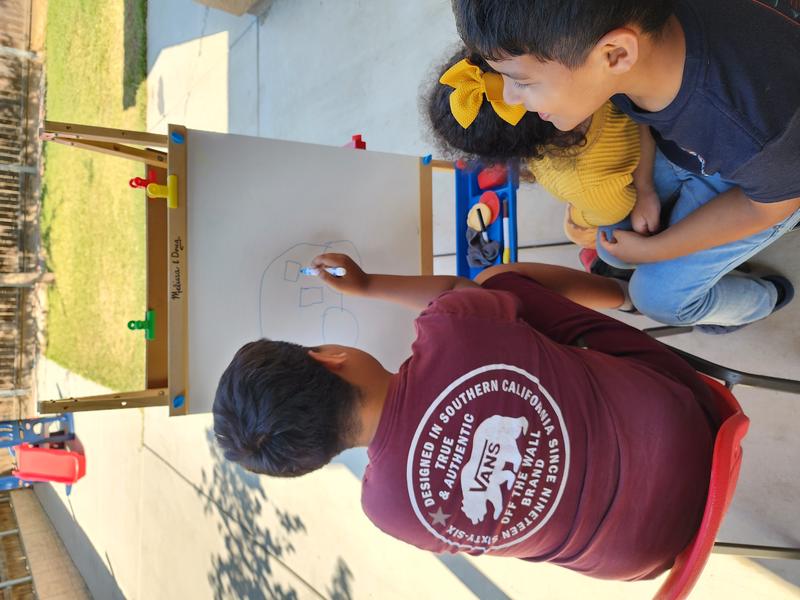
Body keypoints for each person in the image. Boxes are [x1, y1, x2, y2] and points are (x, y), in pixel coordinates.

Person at [213, 253, 719, 581]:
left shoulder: (389, 510)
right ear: (328, 355)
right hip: (691, 425)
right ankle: (626, 295)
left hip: (655, 556)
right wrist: (366, 285)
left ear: (315, 457)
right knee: (502, 282)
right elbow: (460, 290)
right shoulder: (450, 327)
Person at [450, 0, 800, 333]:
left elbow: (768, 209)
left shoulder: (753, 129)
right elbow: (639, 111)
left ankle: (763, 298)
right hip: (707, 155)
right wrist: (644, 184)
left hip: (767, 193)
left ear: (616, 53)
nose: (510, 98)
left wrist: (657, 250)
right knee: (608, 245)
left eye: (522, 81)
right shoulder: (633, 51)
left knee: (656, 302)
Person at [426, 47, 662, 271]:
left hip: (623, 184)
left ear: (512, 150)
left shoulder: (580, 181)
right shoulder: (571, 64)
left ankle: (590, 245)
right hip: (641, 112)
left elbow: (616, 209)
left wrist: (577, 218)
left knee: (579, 232)